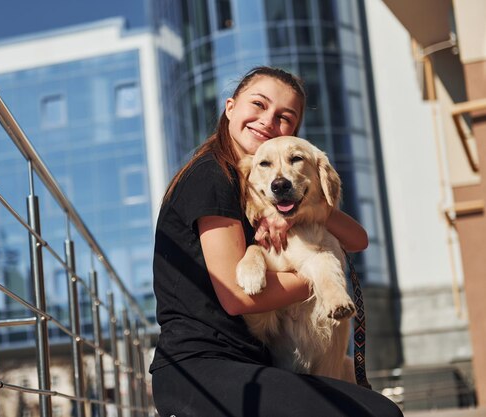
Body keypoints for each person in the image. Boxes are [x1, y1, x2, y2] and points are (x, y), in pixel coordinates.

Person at [149, 66, 403, 417]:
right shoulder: (212, 177)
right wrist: (323, 274)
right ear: (230, 107)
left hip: (251, 359)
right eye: (258, 104)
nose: (268, 121)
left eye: (285, 117)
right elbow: (239, 297)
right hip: (201, 368)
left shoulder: (265, 191)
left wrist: (304, 208)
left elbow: (358, 239)